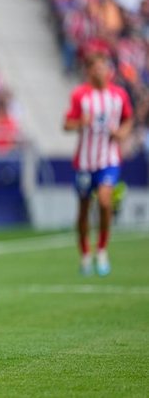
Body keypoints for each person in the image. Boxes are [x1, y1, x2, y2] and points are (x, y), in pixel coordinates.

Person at [63, 52, 133, 276]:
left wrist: (122, 132)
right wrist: (79, 123)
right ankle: (85, 255)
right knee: (83, 210)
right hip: (85, 162)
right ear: (89, 71)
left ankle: (102, 250)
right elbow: (66, 125)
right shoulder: (80, 95)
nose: (100, 72)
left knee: (104, 201)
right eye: (96, 68)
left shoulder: (118, 95)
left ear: (108, 70)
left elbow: (128, 120)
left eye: (103, 67)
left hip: (108, 159)